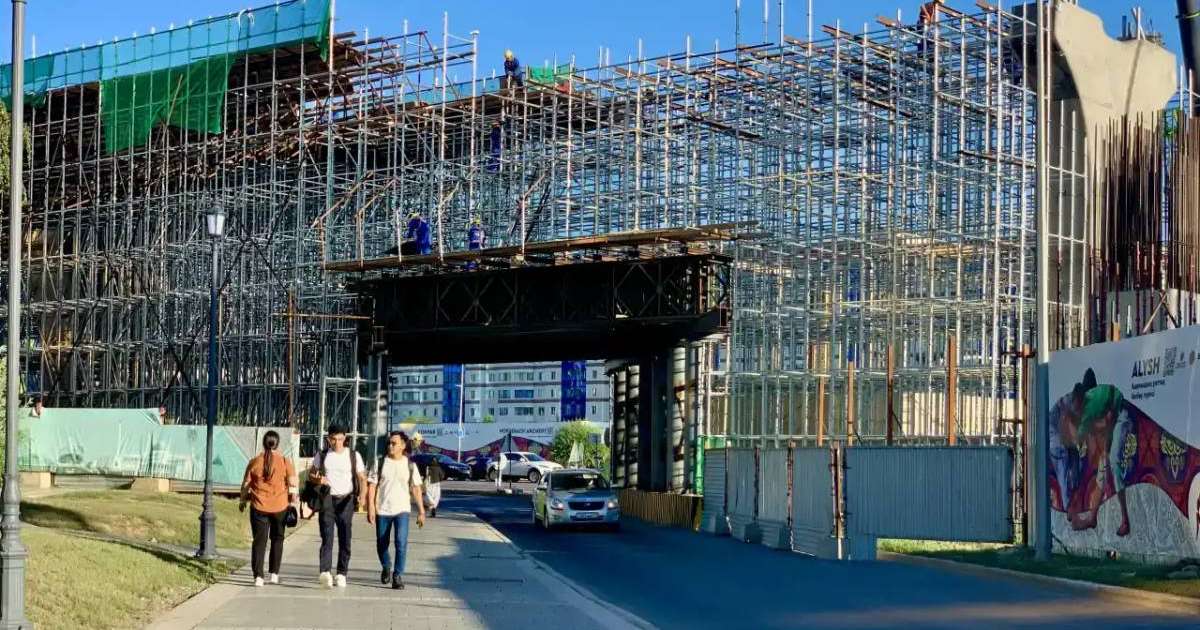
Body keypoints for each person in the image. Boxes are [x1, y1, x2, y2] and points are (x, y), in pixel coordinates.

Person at [309, 424, 367, 588]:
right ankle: (325, 572)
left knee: (345, 537)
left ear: (345, 439)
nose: (337, 443)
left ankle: (342, 573)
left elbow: (362, 477)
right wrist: (318, 479)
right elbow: (311, 474)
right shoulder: (322, 455)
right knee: (327, 536)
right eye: (333, 439)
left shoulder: (353, 455)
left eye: (340, 439)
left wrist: (362, 496)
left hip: (346, 500)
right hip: (327, 499)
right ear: (329, 439)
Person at [366, 431, 426, 590]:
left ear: (403, 445)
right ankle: (386, 565)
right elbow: (372, 485)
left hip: (402, 510)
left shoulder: (410, 465)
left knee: (401, 542)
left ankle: (397, 575)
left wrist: (421, 511)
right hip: (383, 510)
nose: (390, 446)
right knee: (381, 543)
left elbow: (416, 489)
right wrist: (371, 507)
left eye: (394, 443)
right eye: (389, 443)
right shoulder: (379, 463)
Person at [240, 430, 298, 587]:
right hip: (280, 507)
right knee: (277, 539)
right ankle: (274, 573)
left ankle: (258, 576)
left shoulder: (254, 462)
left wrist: (243, 500)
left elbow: (246, 484)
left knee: (259, 541)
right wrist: (293, 501)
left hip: (259, 507)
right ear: (277, 444)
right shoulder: (285, 461)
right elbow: (292, 485)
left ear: (263, 443)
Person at [1073, 384, 1133, 537]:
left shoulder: (1093, 403)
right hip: (1109, 418)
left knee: (1113, 461)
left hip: (1120, 413)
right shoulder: (1083, 413)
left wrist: (1105, 448)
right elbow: (1080, 439)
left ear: (1082, 401)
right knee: (1103, 467)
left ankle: (1125, 520)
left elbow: (1110, 419)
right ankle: (1092, 518)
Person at [1048, 368, 1095, 517]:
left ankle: (1073, 502)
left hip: (1065, 437)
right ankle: (1069, 507)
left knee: (1076, 467)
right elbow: (1067, 425)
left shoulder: (1081, 401)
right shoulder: (1072, 402)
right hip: (1056, 438)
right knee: (1064, 466)